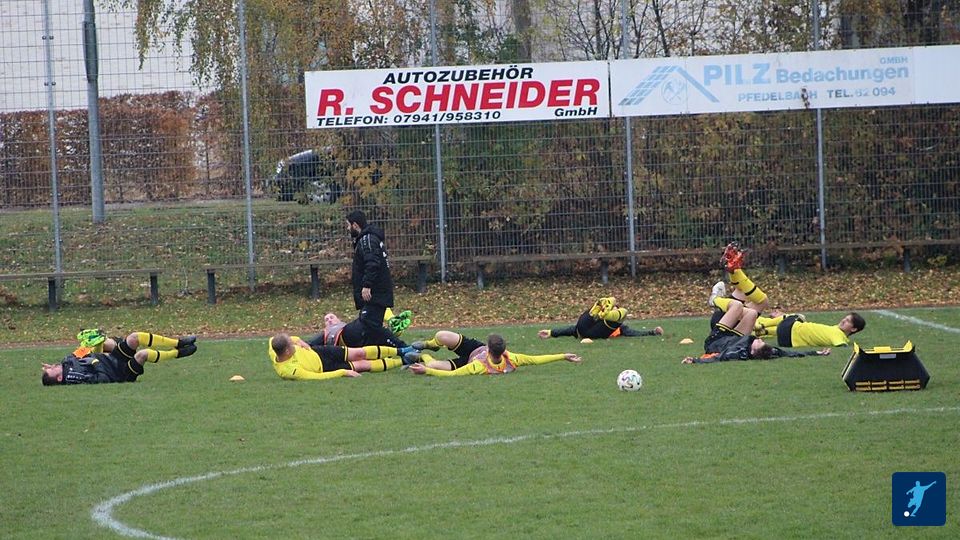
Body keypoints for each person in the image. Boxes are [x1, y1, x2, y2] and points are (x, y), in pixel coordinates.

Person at [710, 242, 866, 347]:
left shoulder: (838, 336)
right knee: (756, 299)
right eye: (845, 318)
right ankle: (734, 269)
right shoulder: (834, 331)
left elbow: (841, 343)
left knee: (747, 304)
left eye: (847, 321)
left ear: (853, 329)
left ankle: (716, 299)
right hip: (729, 321)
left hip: (726, 324)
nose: (843, 320)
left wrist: (784, 317)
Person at [682, 300, 830, 364]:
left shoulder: (738, 352)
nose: (759, 339)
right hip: (735, 337)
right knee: (752, 313)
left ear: (752, 352)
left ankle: (714, 300)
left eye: (758, 343)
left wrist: (695, 360)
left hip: (716, 340)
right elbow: (788, 353)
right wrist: (816, 353)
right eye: (761, 341)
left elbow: (718, 358)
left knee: (737, 305)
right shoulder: (767, 351)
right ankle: (733, 308)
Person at [41, 329, 197, 385]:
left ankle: (179, 342)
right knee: (142, 354)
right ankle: (178, 353)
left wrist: (92, 345)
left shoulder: (67, 363)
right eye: (52, 370)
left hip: (113, 359)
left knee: (134, 337)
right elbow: (102, 379)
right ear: (59, 378)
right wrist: (95, 361)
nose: (53, 366)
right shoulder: (73, 377)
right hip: (120, 373)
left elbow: (80, 352)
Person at [407, 331, 581, 376]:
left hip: (466, 362)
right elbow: (536, 360)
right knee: (442, 336)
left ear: (488, 349)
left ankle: (422, 356)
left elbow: (452, 375)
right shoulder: (511, 358)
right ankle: (430, 345)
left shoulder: (478, 366)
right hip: (472, 349)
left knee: (432, 364)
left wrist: (426, 369)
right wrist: (563, 356)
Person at [268, 332, 417, 380]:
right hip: (325, 367)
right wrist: (343, 372)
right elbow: (317, 377)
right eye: (291, 345)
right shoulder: (290, 371)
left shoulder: (273, 346)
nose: (294, 345)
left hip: (319, 352)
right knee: (362, 365)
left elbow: (282, 338)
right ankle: (403, 360)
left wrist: (299, 341)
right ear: (287, 352)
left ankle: (401, 350)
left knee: (359, 353)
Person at [346, 209, 397, 347]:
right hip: (379, 291)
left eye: (348, 225)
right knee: (369, 329)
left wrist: (366, 285)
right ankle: (379, 353)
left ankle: (404, 349)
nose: (348, 229)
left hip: (375, 293)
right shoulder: (369, 239)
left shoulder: (367, 240)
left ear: (355, 225)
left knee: (369, 324)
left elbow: (372, 263)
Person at [538, 296, 663, 340]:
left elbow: (634, 333)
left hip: (586, 330)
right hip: (589, 331)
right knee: (622, 314)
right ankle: (604, 308)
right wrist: (550, 332)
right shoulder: (617, 326)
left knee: (600, 314)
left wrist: (651, 332)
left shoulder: (621, 328)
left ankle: (601, 306)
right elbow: (570, 329)